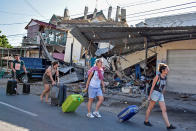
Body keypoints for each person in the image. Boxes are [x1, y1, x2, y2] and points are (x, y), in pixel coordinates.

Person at [144, 63, 176, 130]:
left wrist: (162, 94)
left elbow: (163, 86)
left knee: (164, 110)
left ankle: (168, 126)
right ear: (163, 70)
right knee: (150, 108)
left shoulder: (165, 77)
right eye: (166, 69)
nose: (168, 70)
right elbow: (152, 86)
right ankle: (146, 121)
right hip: (155, 93)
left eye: (167, 69)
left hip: (160, 94)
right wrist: (149, 96)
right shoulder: (157, 77)